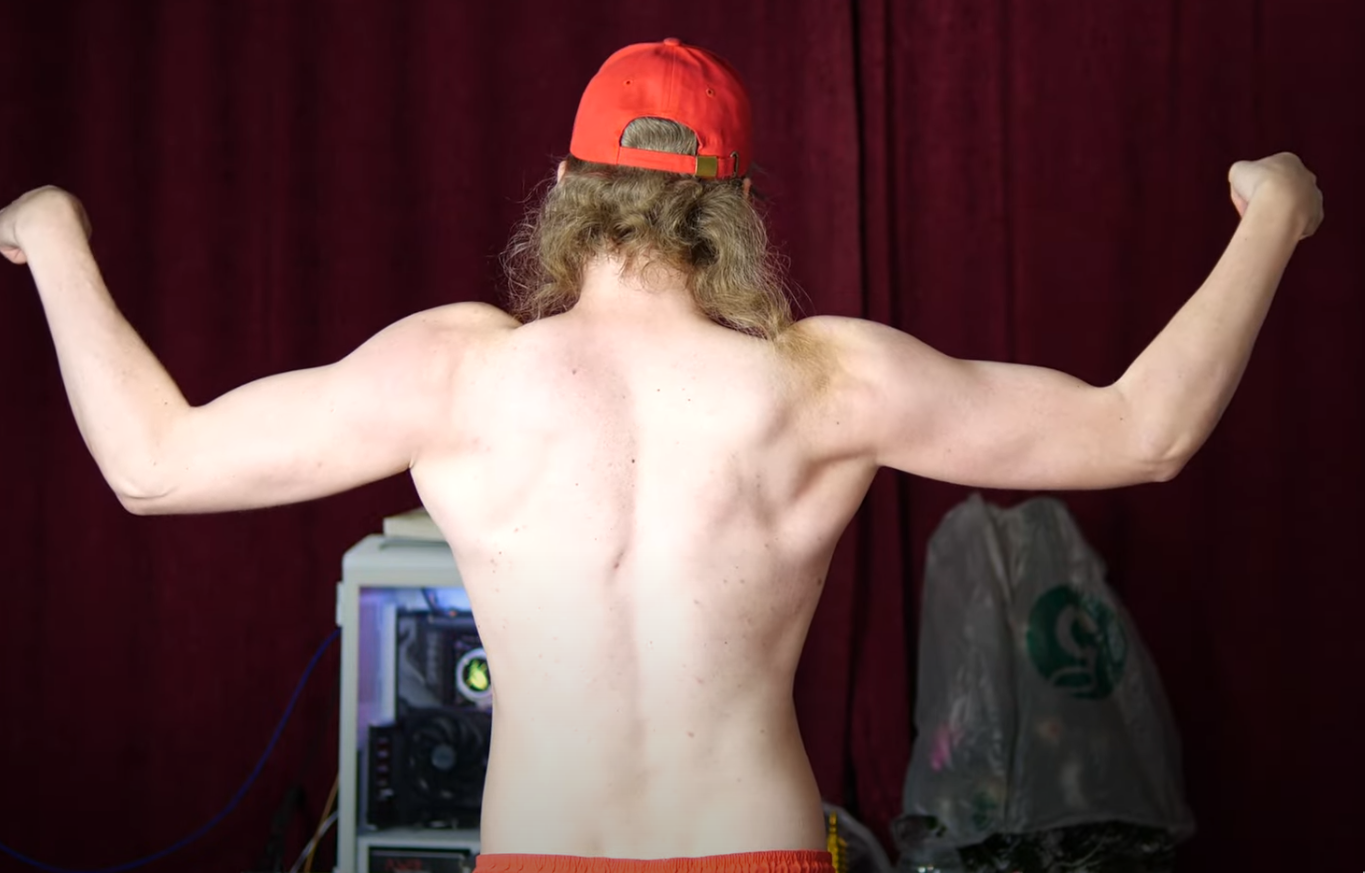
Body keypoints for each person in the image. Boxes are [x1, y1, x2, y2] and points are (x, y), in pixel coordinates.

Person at [0, 37, 1323, 873]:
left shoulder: (460, 373)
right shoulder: (822, 381)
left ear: (566, 193)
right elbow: (1144, 432)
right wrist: (1272, 217)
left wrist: (54, 237)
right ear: (736, 208)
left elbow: (154, 465)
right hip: (752, 853)